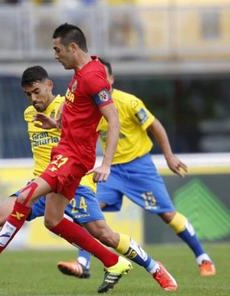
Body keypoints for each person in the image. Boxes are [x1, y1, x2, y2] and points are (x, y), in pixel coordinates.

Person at [0, 65, 178, 292]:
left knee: (105, 235)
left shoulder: (74, 105)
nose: (33, 99)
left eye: (37, 92)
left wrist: (104, 161)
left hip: (75, 184)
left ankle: (155, 268)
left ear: (49, 85)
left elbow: (96, 130)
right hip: (43, 182)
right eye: (28, 94)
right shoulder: (29, 115)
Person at [56, 59, 216, 278]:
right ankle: (83, 263)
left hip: (139, 167)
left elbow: (155, 125)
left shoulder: (129, 102)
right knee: (90, 211)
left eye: (103, 77)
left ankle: (203, 258)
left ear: (110, 79)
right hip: (110, 170)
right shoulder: (89, 106)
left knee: (168, 215)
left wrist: (168, 155)